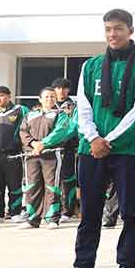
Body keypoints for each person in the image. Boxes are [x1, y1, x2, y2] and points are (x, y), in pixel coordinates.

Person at [56, 9, 135, 268]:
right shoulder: (90, 67)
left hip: (126, 149)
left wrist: (107, 139)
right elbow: (84, 107)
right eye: (108, 29)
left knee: (129, 211)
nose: (112, 34)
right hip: (92, 150)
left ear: (130, 31)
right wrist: (92, 138)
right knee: (89, 210)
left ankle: (126, 267)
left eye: (118, 28)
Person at [20, 87, 77, 228]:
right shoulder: (30, 114)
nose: (49, 99)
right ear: (40, 99)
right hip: (32, 155)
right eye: (46, 97)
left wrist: (43, 144)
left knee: (52, 186)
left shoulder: (60, 114)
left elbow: (61, 131)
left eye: (52, 97)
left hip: (52, 155)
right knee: (32, 186)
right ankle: (32, 219)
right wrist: (33, 144)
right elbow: (23, 131)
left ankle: (52, 218)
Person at [0, 86, 29, 223]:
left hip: (14, 155)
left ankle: (15, 212)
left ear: (9, 96)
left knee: (15, 185)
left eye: (1, 95)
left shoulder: (20, 110)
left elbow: (27, 129)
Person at [51, 77, 80, 220]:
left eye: (64, 88)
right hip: (50, 149)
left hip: (68, 148)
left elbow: (74, 126)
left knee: (67, 180)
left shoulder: (74, 107)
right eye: (58, 88)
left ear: (68, 90)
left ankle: (67, 211)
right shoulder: (48, 105)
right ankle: (51, 209)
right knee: (51, 180)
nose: (61, 91)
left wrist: (60, 139)